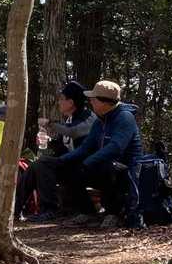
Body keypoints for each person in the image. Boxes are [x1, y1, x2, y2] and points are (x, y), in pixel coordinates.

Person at [48, 80, 144, 229]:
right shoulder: (99, 121)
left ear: (105, 102)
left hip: (126, 169)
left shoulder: (125, 117)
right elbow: (85, 148)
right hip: (104, 165)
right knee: (68, 168)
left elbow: (115, 148)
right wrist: (60, 161)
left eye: (94, 99)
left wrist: (89, 162)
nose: (91, 102)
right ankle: (87, 212)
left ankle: (113, 213)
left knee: (105, 166)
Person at [18, 82, 99, 221]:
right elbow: (63, 146)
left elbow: (73, 132)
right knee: (36, 166)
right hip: (72, 165)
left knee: (43, 163)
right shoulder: (70, 118)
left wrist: (49, 123)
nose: (59, 102)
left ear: (71, 102)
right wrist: (49, 144)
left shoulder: (88, 117)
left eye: (61, 99)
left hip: (89, 166)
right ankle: (14, 208)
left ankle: (50, 210)